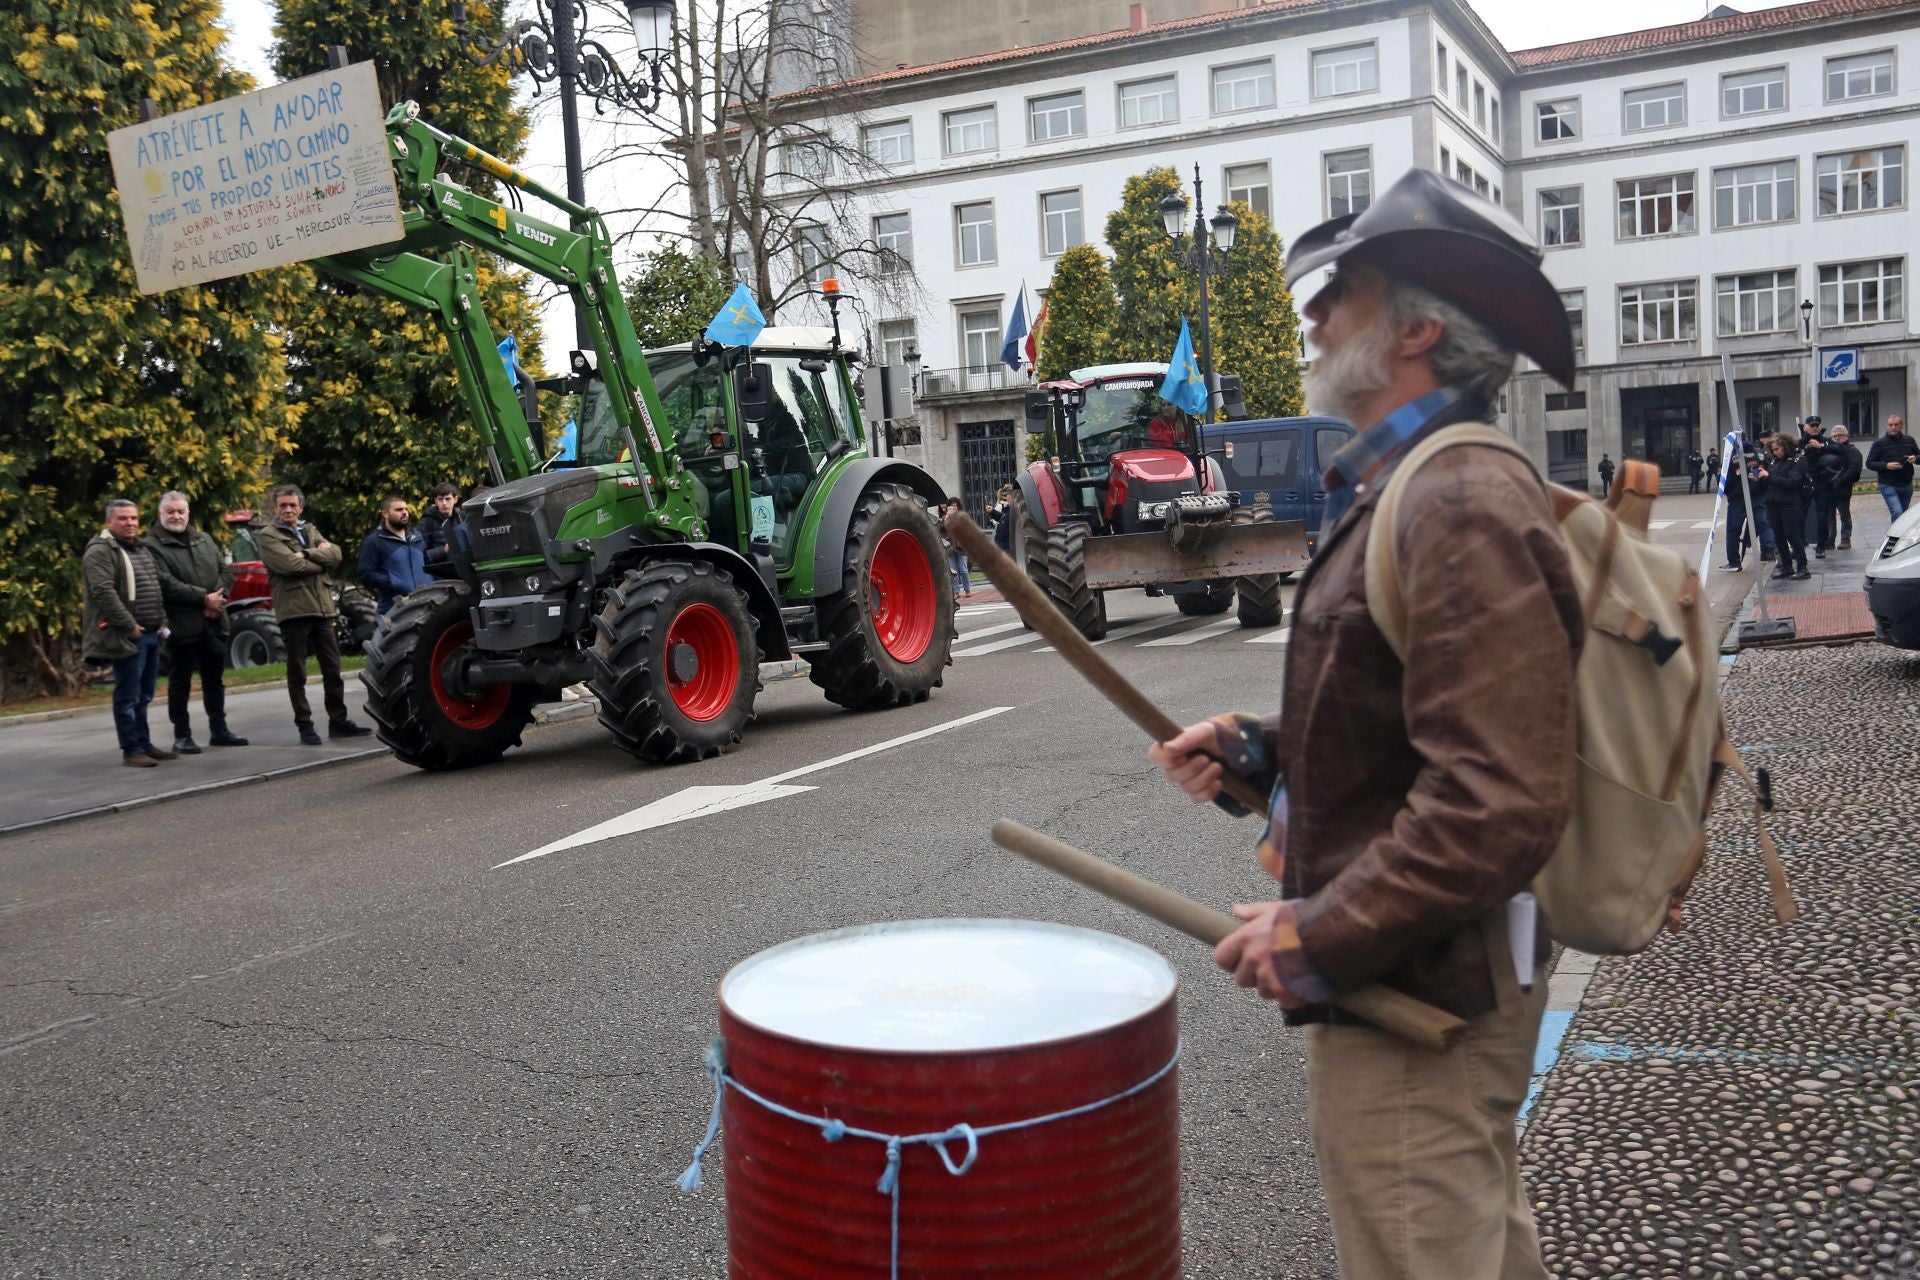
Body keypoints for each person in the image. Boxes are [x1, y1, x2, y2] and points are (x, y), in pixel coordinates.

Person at [1150, 170, 1579, 1280]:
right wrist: (1260, 749)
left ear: (1420, 329)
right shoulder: (1410, 485)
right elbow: (1412, 714)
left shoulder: (1456, 498)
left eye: (1343, 290)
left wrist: (1323, 932)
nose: (1314, 312)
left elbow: (1496, 798)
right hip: (1423, 977)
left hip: (1418, 998)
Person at [257, 485, 371, 745]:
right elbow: (290, 564)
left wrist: (308, 553)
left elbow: (336, 554)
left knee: (333, 668)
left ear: (301, 507)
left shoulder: (309, 530)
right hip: (294, 611)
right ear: (275, 508)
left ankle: (338, 721)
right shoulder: (268, 535)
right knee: (298, 672)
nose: (288, 509)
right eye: (283, 505)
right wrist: (320, 560)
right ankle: (305, 725)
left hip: (322, 609)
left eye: (292, 505)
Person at [146, 490, 248, 753]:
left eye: (181, 511)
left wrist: (218, 600)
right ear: (160, 514)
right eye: (170, 511)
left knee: (214, 680)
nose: (176, 516)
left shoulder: (204, 539)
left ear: (188, 513)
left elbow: (225, 572)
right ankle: (182, 736)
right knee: (180, 682)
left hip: (213, 623)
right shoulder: (152, 546)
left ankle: (219, 731)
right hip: (181, 625)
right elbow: (166, 583)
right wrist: (204, 599)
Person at [84, 499, 178, 767]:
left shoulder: (140, 548)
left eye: (134, 518)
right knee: (128, 695)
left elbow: (154, 587)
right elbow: (103, 591)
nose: (130, 523)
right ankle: (132, 750)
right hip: (127, 636)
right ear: (109, 522)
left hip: (150, 633)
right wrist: (129, 626)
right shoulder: (100, 551)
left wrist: (161, 621)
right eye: (123, 518)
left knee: (144, 694)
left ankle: (144, 744)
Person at [357, 494, 428, 614]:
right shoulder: (375, 540)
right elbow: (365, 573)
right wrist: (392, 582)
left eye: (406, 509)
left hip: (424, 603)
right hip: (394, 610)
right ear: (385, 514)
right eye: (399, 510)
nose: (405, 513)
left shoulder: (416, 536)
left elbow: (427, 563)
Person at [1758, 433, 1811, 581]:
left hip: (1789, 503)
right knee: (1779, 536)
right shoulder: (1775, 462)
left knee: (1792, 535)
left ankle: (1802, 567)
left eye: (1777, 449)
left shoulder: (1798, 460)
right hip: (1773, 502)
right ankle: (1787, 566)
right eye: (1772, 450)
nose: (1775, 452)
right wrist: (1760, 478)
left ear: (1786, 447)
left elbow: (1792, 482)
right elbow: (1771, 483)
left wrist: (1769, 476)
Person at [1720, 439, 1773, 573]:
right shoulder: (1759, 457)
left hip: (1737, 499)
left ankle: (1734, 562)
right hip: (1757, 496)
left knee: (1733, 531)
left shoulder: (1732, 460)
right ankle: (1774, 551)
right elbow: (1765, 477)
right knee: (1764, 526)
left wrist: (1729, 491)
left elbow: (1726, 482)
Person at [1799, 415, 1844, 557]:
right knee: (1799, 515)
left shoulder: (1826, 441)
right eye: (1811, 425)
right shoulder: (1800, 443)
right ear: (1805, 427)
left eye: (1816, 425)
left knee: (1822, 515)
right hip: (1804, 482)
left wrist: (1821, 447)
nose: (1814, 427)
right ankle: (1799, 545)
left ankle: (1821, 546)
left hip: (1822, 482)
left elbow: (1841, 450)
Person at [1866, 414, 1917, 517]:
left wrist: (1916, 458)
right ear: (1887, 426)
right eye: (1890, 425)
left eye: (1896, 424)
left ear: (1901, 425)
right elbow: (1869, 463)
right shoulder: (1879, 443)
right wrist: (1886, 465)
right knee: (1897, 511)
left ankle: (1897, 528)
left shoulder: (1909, 440)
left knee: (1903, 515)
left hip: (1906, 483)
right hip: (1888, 484)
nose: (1893, 427)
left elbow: (1918, 456)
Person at [1828, 426, 1863, 550]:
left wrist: (1840, 480)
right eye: (1835, 436)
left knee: (1844, 515)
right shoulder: (1829, 450)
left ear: (1846, 436)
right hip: (1828, 487)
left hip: (1843, 487)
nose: (1837, 438)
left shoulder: (1852, 451)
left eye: (1840, 435)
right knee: (1829, 516)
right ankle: (1829, 540)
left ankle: (1845, 539)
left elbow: (1854, 468)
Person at [418, 482, 463, 565]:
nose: (444, 503)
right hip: (439, 570)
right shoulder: (426, 522)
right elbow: (418, 555)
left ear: (455, 499)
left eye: (448, 499)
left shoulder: (462, 518)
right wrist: (443, 550)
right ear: (435, 501)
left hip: (463, 568)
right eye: (440, 499)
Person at [943, 498, 971, 598]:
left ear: (959, 506)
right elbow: (941, 532)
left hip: (962, 547)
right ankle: (956, 591)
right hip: (950, 548)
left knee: (963, 569)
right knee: (953, 571)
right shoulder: (945, 518)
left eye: (955, 505)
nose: (953, 508)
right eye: (951, 506)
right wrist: (945, 521)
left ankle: (967, 589)